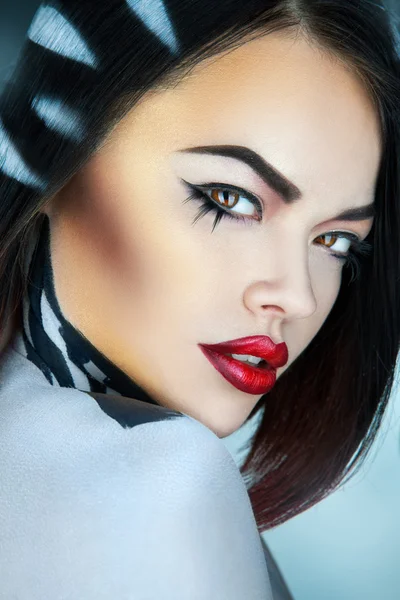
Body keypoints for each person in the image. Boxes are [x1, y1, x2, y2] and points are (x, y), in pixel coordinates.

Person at [0, 0, 399, 598]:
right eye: (230, 199)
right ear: (57, 155)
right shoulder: (164, 482)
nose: (295, 295)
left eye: (336, 241)